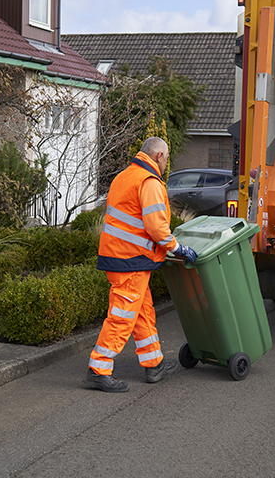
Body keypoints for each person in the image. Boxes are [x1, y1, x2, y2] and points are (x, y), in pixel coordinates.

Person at [83, 137, 198, 393]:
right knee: (122, 316)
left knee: (142, 312)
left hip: (121, 257)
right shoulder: (149, 181)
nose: (166, 164)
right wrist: (178, 248)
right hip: (130, 260)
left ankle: (153, 364)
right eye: (166, 159)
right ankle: (98, 369)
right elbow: (157, 227)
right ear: (159, 156)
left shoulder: (125, 176)